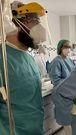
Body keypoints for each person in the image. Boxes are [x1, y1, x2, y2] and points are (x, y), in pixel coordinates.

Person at [0, 1, 47, 134]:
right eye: (33, 21)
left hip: (35, 128)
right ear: (13, 24)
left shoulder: (29, 59)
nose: (39, 28)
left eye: (39, 22)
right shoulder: (2, 58)